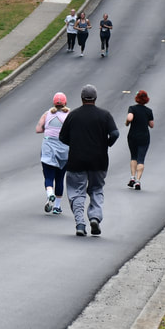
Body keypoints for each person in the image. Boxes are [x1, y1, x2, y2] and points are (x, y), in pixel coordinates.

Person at [58, 84, 118, 237]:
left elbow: (62, 137)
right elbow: (115, 133)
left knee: (76, 192)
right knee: (96, 189)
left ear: (82, 98)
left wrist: (76, 143)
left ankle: (80, 223)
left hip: (76, 160)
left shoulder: (73, 115)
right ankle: (95, 217)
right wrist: (107, 144)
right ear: (95, 98)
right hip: (99, 160)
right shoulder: (105, 115)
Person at [35, 93, 69, 215]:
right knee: (60, 178)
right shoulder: (69, 115)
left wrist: (49, 130)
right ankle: (57, 207)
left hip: (48, 147)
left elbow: (38, 129)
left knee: (49, 177)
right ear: (65, 103)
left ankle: (50, 193)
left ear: (54, 103)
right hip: (64, 148)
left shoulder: (47, 114)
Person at [124, 90, 154, 191]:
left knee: (133, 157)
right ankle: (138, 181)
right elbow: (151, 125)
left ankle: (132, 177)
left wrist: (127, 122)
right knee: (141, 159)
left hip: (132, 136)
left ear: (137, 98)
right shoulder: (148, 111)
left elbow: (130, 117)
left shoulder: (132, 108)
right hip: (144, 137)